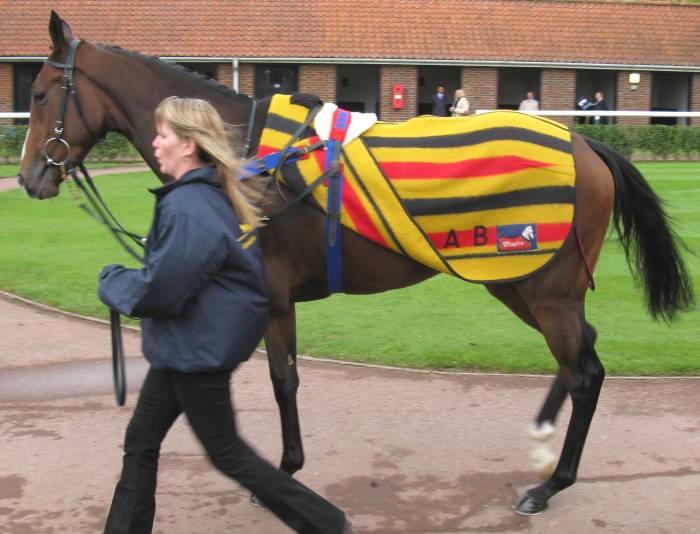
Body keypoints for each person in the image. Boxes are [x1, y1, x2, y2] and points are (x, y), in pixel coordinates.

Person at [98, 97, 351, 534]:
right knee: (140, 442)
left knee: (228, 454)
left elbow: (162, 291)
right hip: (182, 348)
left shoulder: (189, 206)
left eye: (163, 135)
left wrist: (112, 281)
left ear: (189, 145)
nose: (154, 143)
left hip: (195, 353)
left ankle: (327, 524)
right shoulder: (202, 197)